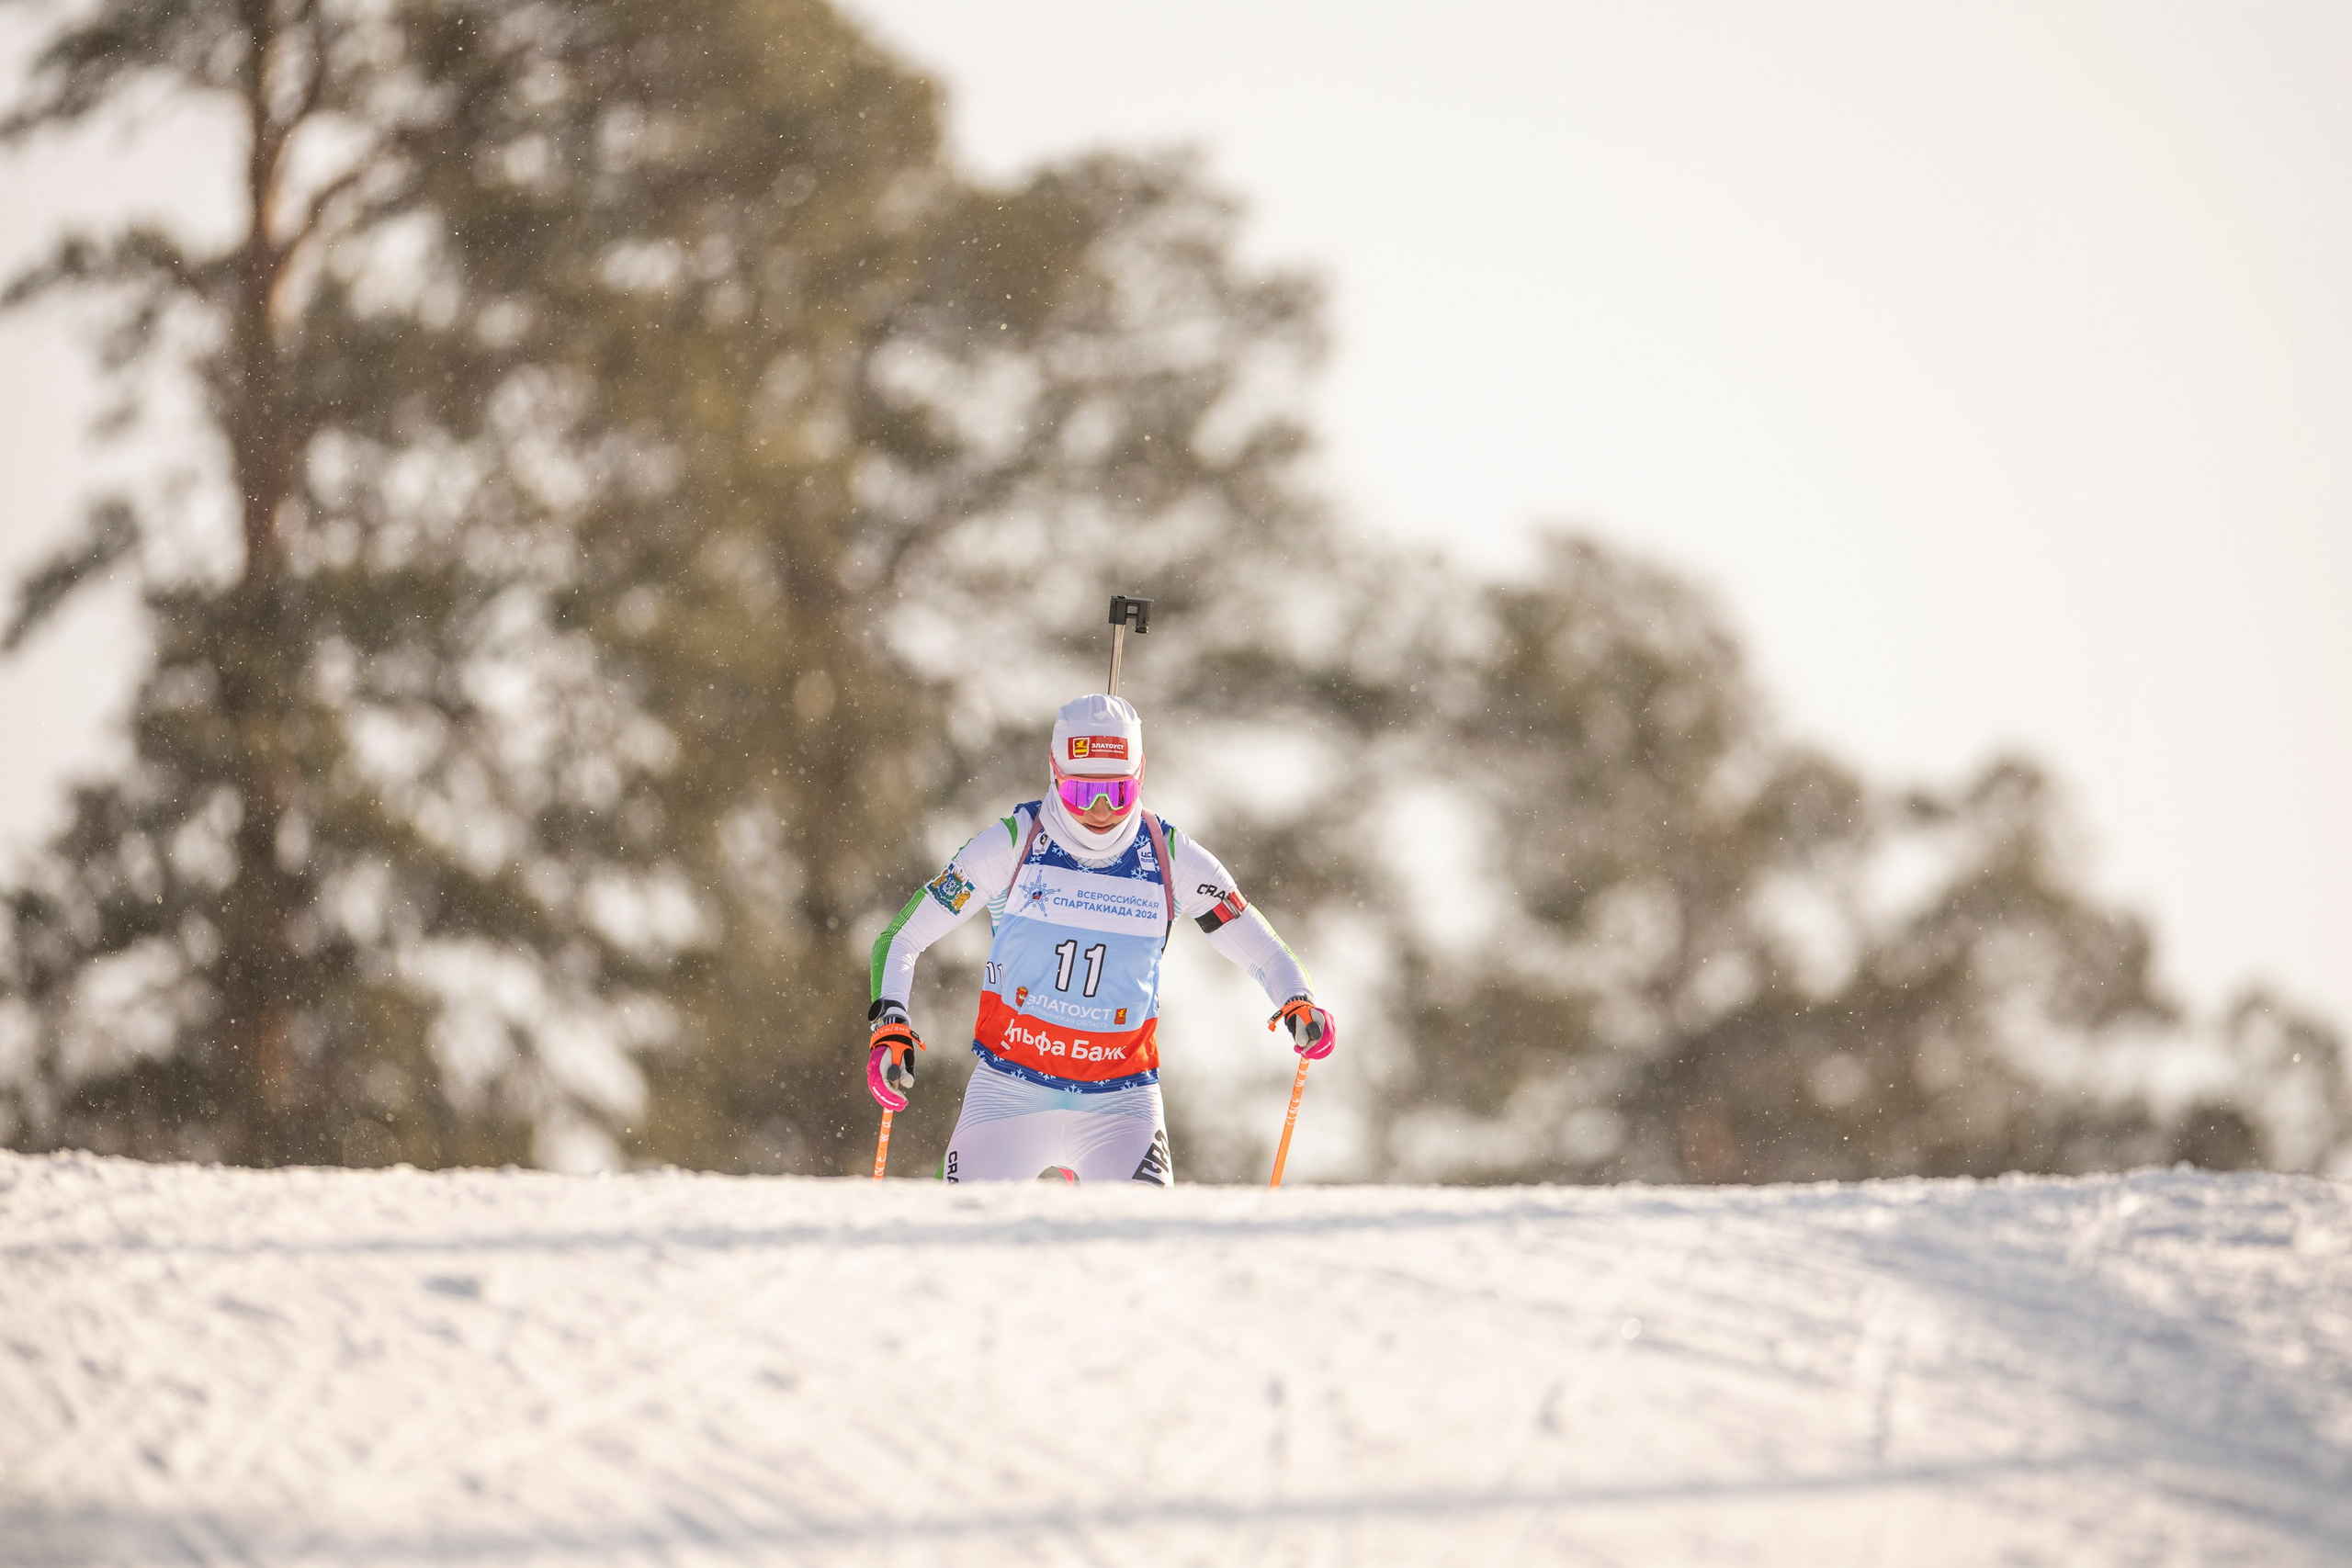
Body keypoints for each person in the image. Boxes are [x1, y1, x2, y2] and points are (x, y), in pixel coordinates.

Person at [865, 694, 1335, 1184]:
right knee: (959, 1245)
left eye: (1118, 793)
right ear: (1053, 771)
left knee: (1141, 1252)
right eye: (1081, 794)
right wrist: (891, 1025)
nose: (1101, 811)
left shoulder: (1170, 855)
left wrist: (1296, 1001)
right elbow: (900, 939)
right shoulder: (1011, 844)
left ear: (1140, 775)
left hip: (1122, 1104)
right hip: (1007, 1095)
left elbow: (1261, 945)